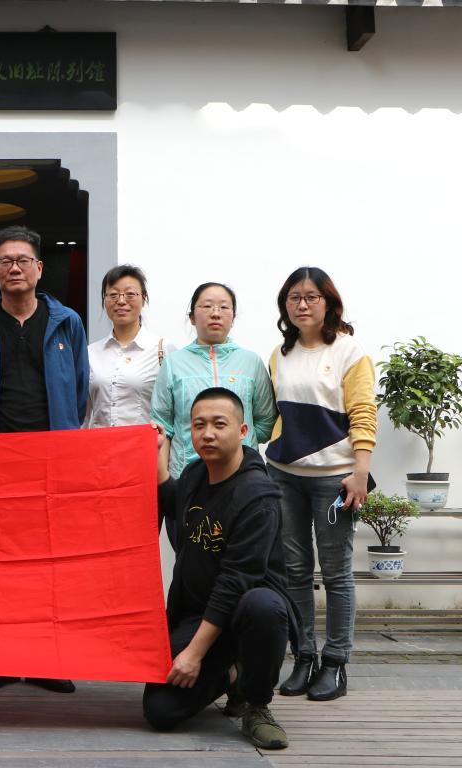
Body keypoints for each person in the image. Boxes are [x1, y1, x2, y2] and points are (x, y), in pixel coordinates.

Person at [0, 224, 88, 694]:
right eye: (5, 261)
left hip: (51, 460)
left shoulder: (66, 322)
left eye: (23, 260)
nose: (15, 268)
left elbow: (78, 389)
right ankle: (2, 657)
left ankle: (46, 659)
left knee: (48, 563)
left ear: (39, 268)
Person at [143, 387, 297, 750]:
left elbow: (234, 582)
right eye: (199, 425)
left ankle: (256, 703)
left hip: (244, 615)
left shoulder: (258, 497)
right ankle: (232, 673)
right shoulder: (197, 473)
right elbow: (171, 500)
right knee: (160, 710)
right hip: (199, 615)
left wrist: (194, 654)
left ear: (243, 431)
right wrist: (158, 452)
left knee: (263, 605)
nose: (208, 433)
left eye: (219, 424)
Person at [266, 267, 376, 702]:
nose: (302, 304)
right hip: (284, 475)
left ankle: (335, 662)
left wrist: (360, 471)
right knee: (294, 571)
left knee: (336, 574)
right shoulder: (280, 354)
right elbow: (275, 414)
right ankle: (304, 657)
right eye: (294, 297)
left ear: (328, 302)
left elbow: (364, 412)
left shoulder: (349, 351)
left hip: (334, 478)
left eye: (311, 296)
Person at [150, 282, 277, 481]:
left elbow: (266, 422)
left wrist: (236, 442)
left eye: (224, 307)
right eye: (207, 306)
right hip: (186, 474)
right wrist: (164, 480)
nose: (216, 313)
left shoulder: (251, 362)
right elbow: (162, 425)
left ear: (233, 318)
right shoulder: (174, 363)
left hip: (242, 474)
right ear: (192, 317)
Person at [84, 265, 174, 428]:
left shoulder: (162, 349)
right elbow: (85, 413)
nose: (121, 301)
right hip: (100, 442)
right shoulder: (90, 353)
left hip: (143, 442)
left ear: (144, 299)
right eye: (113, 295)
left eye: (130, 294)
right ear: (104, 300)